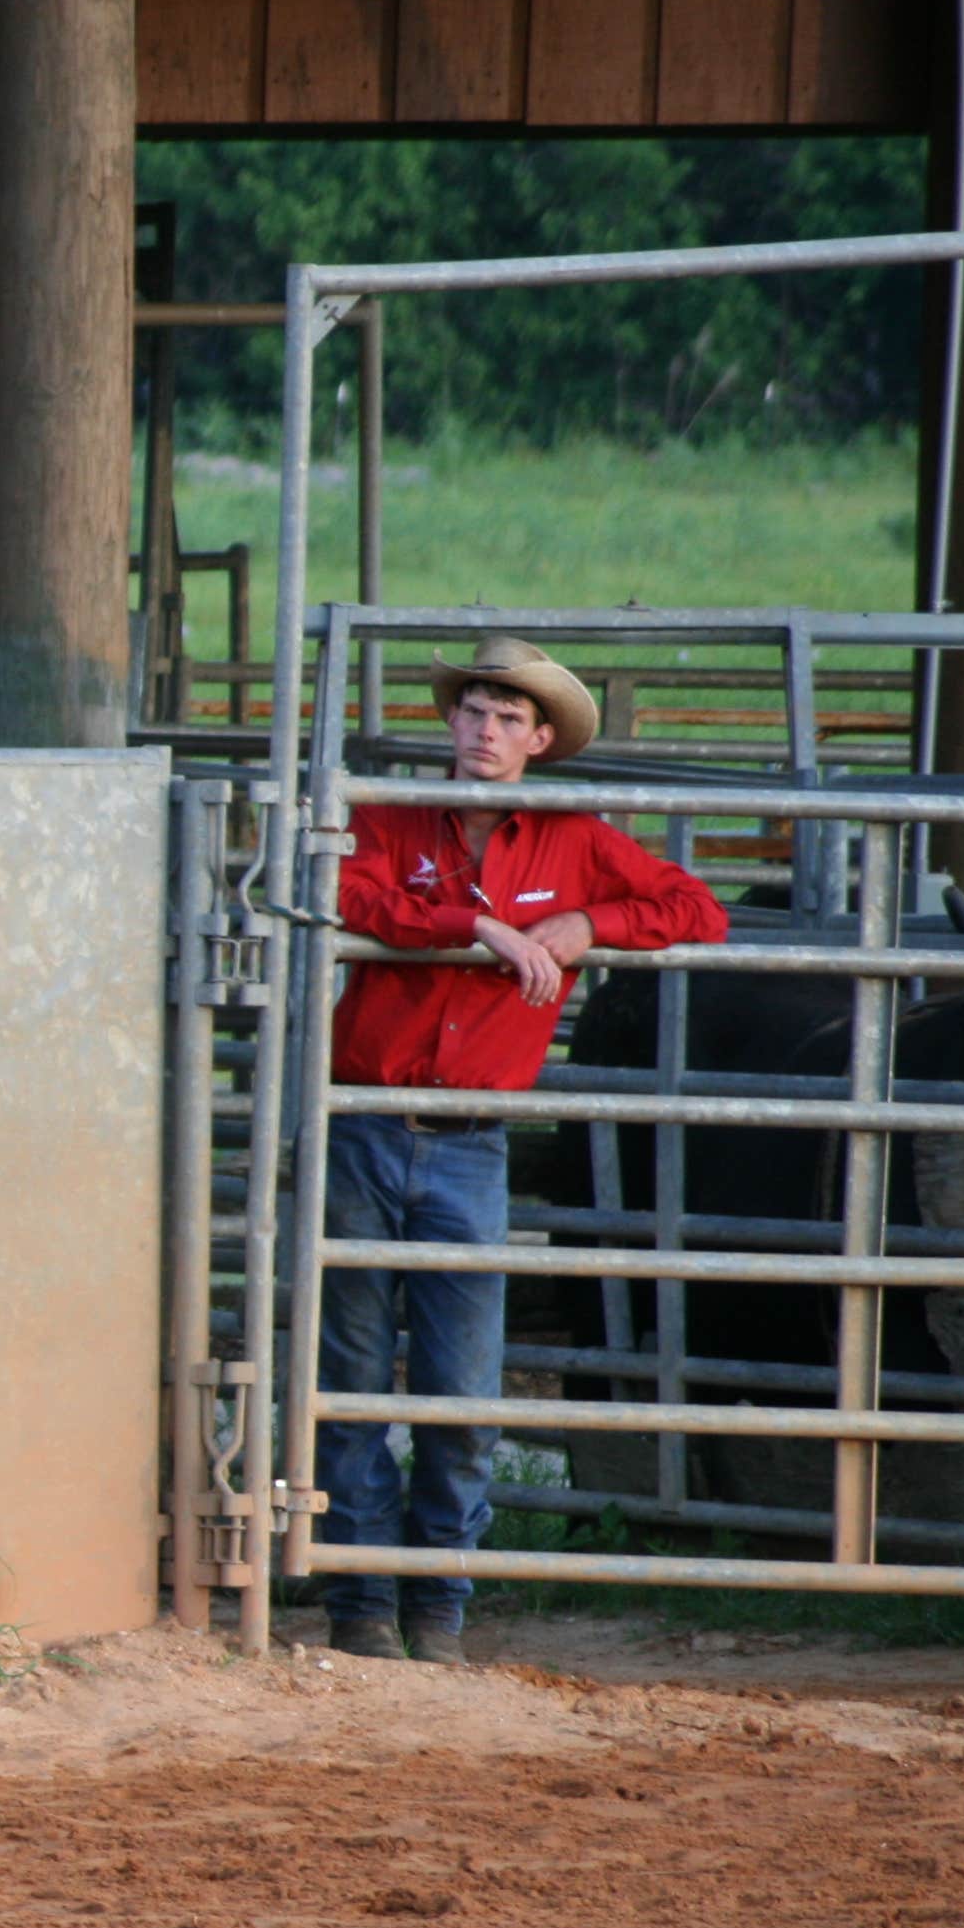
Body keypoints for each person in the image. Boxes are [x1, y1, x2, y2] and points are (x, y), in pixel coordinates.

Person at [322, 635, 726, 1666]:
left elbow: (697, 910)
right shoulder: (385, 813)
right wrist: (479, 929)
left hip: (469, 1140)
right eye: (473, 712)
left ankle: (438, 1604)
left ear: (541, 739)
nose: (486, 731)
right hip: (364, 1117)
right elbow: (350, 898)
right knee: (353, 1375)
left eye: (509, 718)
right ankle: (363, 1602)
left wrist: (587, 922)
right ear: (448, 725)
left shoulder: (576, 840)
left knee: (461, 1390)